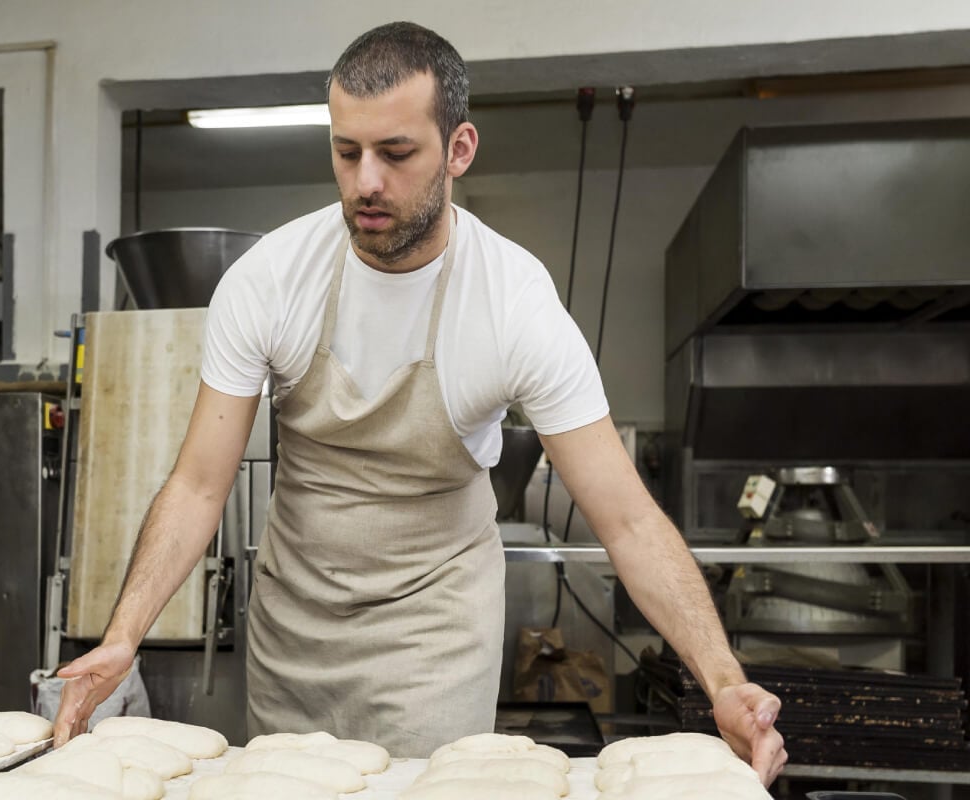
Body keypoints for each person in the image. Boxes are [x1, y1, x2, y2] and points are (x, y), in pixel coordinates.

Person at [53, 21, 787, 783]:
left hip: (433, 632)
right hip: (295, 624)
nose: (366, 181)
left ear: (459, 149)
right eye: (347, 152)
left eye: (396, 153)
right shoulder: (269, 280)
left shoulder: (513, 304)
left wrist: (724, 680)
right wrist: (123, 634)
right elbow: (199, 483)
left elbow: (628, 521)